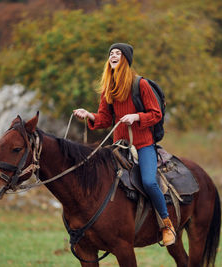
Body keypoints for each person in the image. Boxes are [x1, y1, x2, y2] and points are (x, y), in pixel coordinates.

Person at [73, 43, 175, 246]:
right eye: (111, 53)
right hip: (119, 146)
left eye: (118, 53)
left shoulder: (141, 85)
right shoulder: (108, 88)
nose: (113, 55)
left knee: (148, 182)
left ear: (126, 59)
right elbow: (103, 120)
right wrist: (88, 115)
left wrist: (136, 117)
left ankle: (166, 224)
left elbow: (156, 114)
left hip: (143, 145)